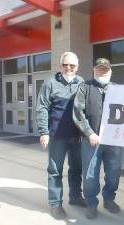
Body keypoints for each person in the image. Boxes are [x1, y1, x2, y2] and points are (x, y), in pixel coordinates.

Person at [36, 51, 86, 220]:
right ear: (60, 65)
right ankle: (55, 203)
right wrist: (43, 132)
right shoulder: (50, 83)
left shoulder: (81, 83)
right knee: (55, 171)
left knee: (76, 169)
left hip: (77, 136)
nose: (69, 68)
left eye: (72, 65)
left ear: (77, 67)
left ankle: (75, 197)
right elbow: (42, 107)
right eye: (65, 65)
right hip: (57, 136)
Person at [72, 58, 123, 219]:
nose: (102, 72)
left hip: (113, 141)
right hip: (91, 140)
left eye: (105, 69)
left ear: (111, 72)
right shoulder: (85, 87)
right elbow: (78, 113)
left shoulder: (119, 89)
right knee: (90, 175)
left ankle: (109, 199)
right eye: (99, 69)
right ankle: (91, 203)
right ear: (94, 70)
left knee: (114, 172)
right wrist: (89, 133)